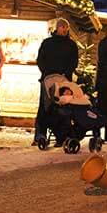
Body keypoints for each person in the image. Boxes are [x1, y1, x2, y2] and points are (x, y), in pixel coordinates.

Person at [35, 18, 78, 146]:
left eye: (66, 27)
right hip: (47, 79)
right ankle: (40, 134)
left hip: (64, 80)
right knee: (44, 106)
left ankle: (62, 135)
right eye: (62, 27)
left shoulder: (71, 45)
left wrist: (66, 73)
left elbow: (74, 62)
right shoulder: (47, 43)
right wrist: (46, 72)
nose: (64, 29)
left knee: (63, 107)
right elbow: (41, 59)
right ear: (57, 28)